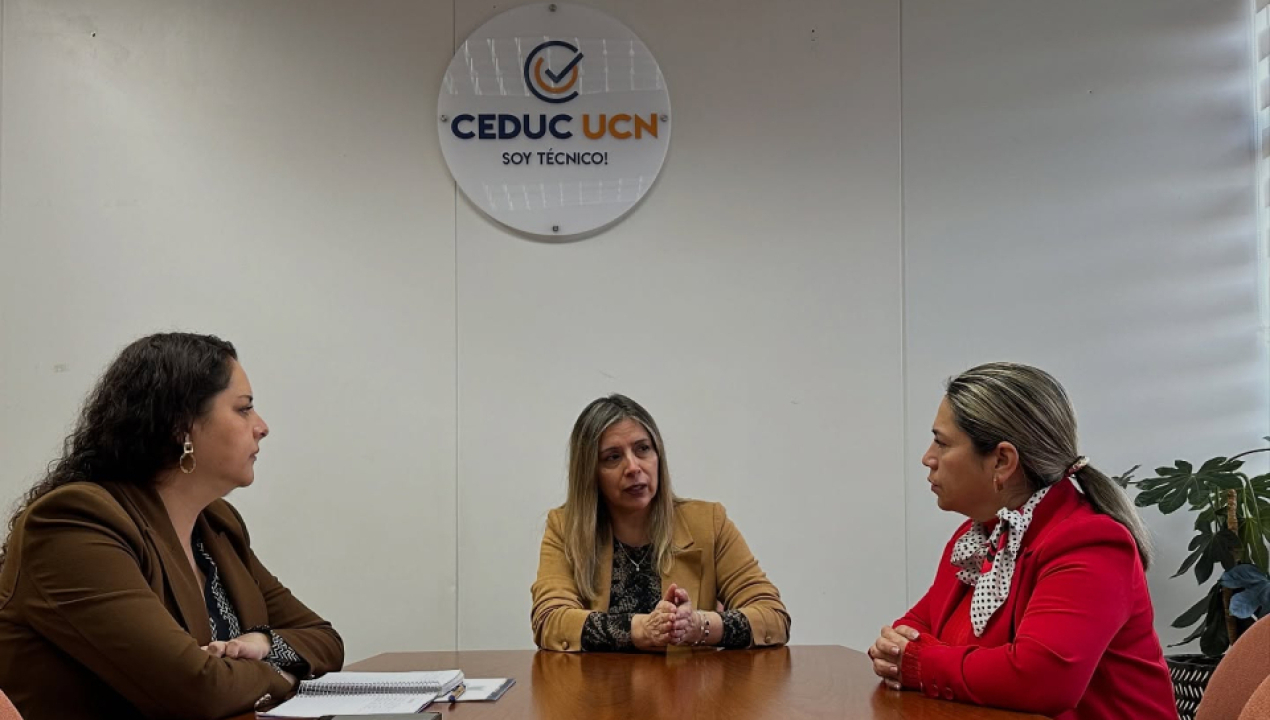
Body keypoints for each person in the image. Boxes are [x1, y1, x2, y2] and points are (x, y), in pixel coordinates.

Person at [0, 333, 344, 720]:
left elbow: (324, 640)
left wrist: (264, 644)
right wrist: (285, 674)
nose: (262, 427)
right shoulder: (74, 525)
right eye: (244, 409)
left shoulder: (217, 526)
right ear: (181, 426)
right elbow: (197, 691)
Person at [870, 362, 1175, 719]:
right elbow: (909, 633)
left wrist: (921, 664)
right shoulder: (979, 536)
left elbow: (1041, 680)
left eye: (942, 442)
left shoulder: (1091, 543)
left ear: (1002, 460)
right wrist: (914, 657)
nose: (928, 458)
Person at [531, 394, 789, 652]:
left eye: (643, 449)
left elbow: (772, 616)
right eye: (613, 457)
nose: (633, 467)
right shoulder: (565, 528)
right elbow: (549, 620)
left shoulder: (709, 523)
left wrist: (699, 626)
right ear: (590, 473)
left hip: (686, 679)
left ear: (658, 455)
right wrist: (641, 629)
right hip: (596, 679)